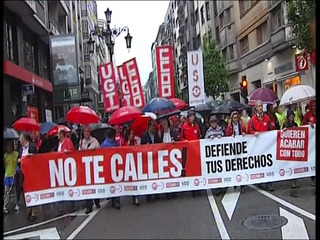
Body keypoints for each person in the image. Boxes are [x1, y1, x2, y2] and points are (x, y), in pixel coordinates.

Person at [248, 100, 274, 191]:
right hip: (257, 146)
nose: (260, 107)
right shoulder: (252, 120)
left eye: (261, 106)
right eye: (259, 106)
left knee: (268, 163)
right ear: (255, 108)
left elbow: (271, 129)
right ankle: (259, 181)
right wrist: (254, 132)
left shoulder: (267, 118)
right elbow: (249, 131)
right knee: (259, 163)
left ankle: (269, 183)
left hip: (266, 145)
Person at [79, 125, 101, 214]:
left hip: (94, 166)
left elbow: (100, 151)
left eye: (88, 131)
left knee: (95, 185)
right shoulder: (81, 142)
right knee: (87, 187)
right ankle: (89, 206)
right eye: (85, 131)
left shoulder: (94, 141)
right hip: (85, 168)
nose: (86, 133)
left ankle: (97, 201)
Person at [180, 108, 201, 197]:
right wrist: (185, 141)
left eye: (193, 116)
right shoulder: (184, 127)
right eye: (191, 116)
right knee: (191, 169)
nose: (192, 118)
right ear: (188, 117)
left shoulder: (196, 126)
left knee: (197, 169)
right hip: (189, 151)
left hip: (196, 151)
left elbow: (200, 136)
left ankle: (198, 187)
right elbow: (181, 137)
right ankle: (193, 188)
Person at [18, 133, 38, 220]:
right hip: (23, 174)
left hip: (32, 174)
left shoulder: (32, 146)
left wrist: (32, 156)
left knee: (32, 191)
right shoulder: (19, 149)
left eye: (20, 138)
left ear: (24, 139)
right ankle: (29, 208)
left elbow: (38, 157)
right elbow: (18, 159)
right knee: (24, 192)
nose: (19, 140)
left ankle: (34, 211)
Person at [141, 119, 162, 202]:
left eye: (155, 126)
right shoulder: (144, 136)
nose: (154, 128)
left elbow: (160, 144)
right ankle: (148, 193)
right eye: (153, 126)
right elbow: (141, 147)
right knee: (149, 176)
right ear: (149, 126)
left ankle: (157, 192)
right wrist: (146, 146)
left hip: (156, 158)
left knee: (156, 175)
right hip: (148, 159)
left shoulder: (157, 134)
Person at [226, 111, 247, 193]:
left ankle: (242, 185)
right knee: (234, 166)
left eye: (236, 118)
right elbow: (227, 135)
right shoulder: (229, 127)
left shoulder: (241, 125)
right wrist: (231, 136)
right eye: (234, 118)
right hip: (233, 148)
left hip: (240, 147)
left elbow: (245, 131)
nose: (235, 119)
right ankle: (235, 182)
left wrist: (244, 133)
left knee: (241, 165)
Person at [101, 128, 121, 209]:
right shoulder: (105, 144)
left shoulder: (115, 143)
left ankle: (115, 199)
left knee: (114, 182)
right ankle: (114, 199)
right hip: (109, 166)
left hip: (114, 166)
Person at [283, 110, 299, 189]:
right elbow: (282, 133)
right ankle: (292, 180)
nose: (291, 117)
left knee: (295, 164)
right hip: (289, 147)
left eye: (292, 115)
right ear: (288, 117)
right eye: (290, 116)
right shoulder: (285, 125)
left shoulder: (295, 124)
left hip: (295, 146)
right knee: (290, 164)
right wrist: (285, 130)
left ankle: (295, 180)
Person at [124, 128, 140, 206]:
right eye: (131, 134)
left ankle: (136, 196)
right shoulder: (125, 143)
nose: (133, 135)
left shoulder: (136, 142)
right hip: (128, 163)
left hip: (135, 162)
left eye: (133, 134)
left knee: (135, 180)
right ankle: (133, 195)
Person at [302, 99, 316, 186]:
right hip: (311, 140)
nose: (314, 107)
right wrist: (308, 123)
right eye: (313, 106)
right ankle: (313, 178)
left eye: (315, 105)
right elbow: (303, 124)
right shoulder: (307, 115)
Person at [3, 140, 19, 214]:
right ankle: (5, 205)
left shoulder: (16, 154)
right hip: (7, 175)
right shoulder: (5, 156)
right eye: (7, 146)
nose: (8, 147)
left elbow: (19, 164)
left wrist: (17, 169)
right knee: (7, 191)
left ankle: (16, 204)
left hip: (13, 175)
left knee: (15, 190)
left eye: (10, 146)